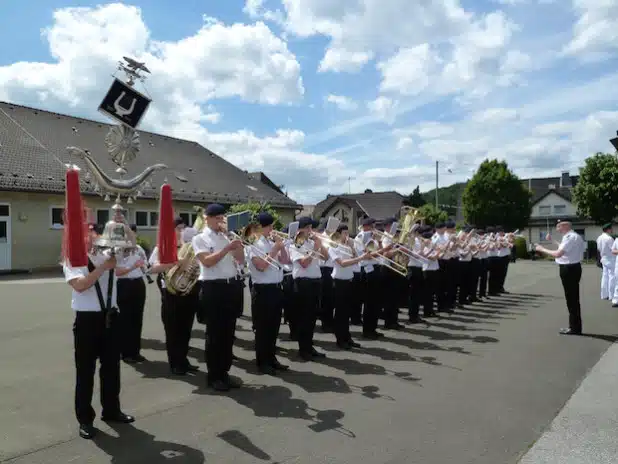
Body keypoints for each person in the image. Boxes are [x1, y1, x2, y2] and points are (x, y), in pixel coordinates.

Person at [62, 169, 134, 440]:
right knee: (86, 372)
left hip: (110, 317)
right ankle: (85, 419)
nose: (91, 231)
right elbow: (80, 285)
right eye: (85, 227)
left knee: (112, 368)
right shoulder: (72, 257)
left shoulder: (106, 250)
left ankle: (112, 410)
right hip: (87, 320)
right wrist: (103, 268)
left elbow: (131, 245)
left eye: (93, 226)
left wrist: (121, 221)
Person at [192, 204, 245, 391]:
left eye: (222, 217)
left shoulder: (227, 235)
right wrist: (226, 248)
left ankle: (225, 372)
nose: (220, 221)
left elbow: (240, 260)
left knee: (228, 333)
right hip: (212, 287)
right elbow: (207, 262)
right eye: (216, 217)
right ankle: (214, 376)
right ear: (207, 218)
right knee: (215, 335)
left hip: (230, 285)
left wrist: (237, 244)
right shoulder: (200, 238)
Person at [247, 212, 290, 374]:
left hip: (276, 288)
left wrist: (282, 247)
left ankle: (271, 358)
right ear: (260, 228)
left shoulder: (271, 241)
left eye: (272, 226)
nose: (272, 229)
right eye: (269, 226)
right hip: (262, 290)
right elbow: (261, 266)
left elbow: (285, 261)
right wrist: (275, 249)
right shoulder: (253, 243)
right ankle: (262, 362)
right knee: (263, 329)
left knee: (273, 328)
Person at [535, 220, 586, 335]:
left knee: (571, 299)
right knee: (572, 298)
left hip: (569, 269)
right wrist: (552, 240)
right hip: (573, 267)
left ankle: (575, 328)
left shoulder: (569, 237)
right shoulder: (572, 236)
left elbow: (558, 254)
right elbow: (564, 248)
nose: (557, 228)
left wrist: (541, 249)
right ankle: (574, 326)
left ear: (565, 226)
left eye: (558, 226)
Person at [289, 216, 328, 360]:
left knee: (312, 318)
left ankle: (309, 347)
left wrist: (320, 245)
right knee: (304, 318)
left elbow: (325, 257)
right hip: (303, 283)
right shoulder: (295, 244)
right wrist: (315, 248)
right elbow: (304, 264)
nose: (310, 231)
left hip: (315, 281)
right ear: (300, 229)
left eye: (311, 228)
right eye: (307, 228)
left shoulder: (312, 242)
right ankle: (303, 350)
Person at [329, 225, 371, 349]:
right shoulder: (333, 246)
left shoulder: (346, 246)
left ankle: (347, 337)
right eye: (344, 233)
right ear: (339, 234)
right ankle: (340, 340)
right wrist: (361, 258)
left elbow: (353, 257)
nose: (347, 235)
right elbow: (342, 263)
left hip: (348, 280)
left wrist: (352, 246)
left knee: (347, 312)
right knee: (340, 313)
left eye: (348, 233)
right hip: (339, 281)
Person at [115, 224, 148, 364]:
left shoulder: (139, 249)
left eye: (132, 234)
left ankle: (136, 351)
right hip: (124, 284)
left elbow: (146, 265)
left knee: (137, 319)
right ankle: (126, 352)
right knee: (126, 319)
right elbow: (117, 272)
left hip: (138, 283)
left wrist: (143, 267)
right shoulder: (118, 251)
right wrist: (133, 266)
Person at [596, 223, 615, 301]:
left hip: (603, 258)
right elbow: (613, 250)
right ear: (608, 229)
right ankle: (612, 295)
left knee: (605, 276)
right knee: (612, 277)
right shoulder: (609, 238)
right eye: (611, 229)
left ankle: (604, 295)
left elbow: (599, 249)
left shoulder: (599, 238)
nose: (612, 230)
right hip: (610, 259)